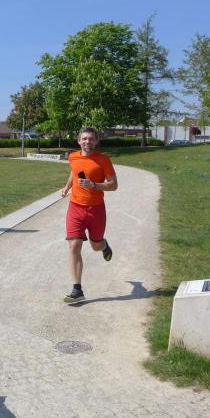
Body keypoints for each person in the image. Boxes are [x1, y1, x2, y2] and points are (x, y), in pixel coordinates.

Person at [59, 126, 118, 305]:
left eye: (91, 139)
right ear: (79, 141)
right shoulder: (72, 157)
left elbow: (113, 185)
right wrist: (67, 187)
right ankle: (77, 290)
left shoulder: (103, 160)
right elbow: (74, 172)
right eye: (84, 138)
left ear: (96, 141)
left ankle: (104, 245)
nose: (87, 142)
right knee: (74, 246)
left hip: (96, 209)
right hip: (75, 208)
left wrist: (94, 185)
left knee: (95, 245)